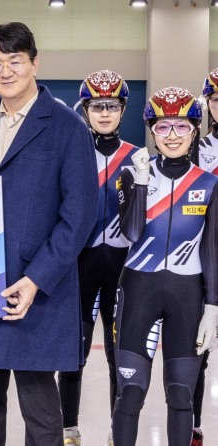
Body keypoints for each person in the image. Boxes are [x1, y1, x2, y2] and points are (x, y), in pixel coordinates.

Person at [0, 22, 98, 446]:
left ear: (34, 63)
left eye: (15, 61)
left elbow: (80, 215)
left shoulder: (68, 127)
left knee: (42, 416)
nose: (5, 71)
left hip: (39, 292)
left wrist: (36, 279)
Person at [111, 86, 218, 446]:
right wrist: (141, 184)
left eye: (181, 126)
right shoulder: (131, 174)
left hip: (187, 297)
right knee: (129, 394)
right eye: (162, 127)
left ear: (195, 130)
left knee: (181, 395)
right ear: (152, 131)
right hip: (138, 292)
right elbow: (131, 233)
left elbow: (212, 249)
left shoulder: (210, 183)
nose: (172, 135)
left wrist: (213, 306)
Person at [58, 70, 140, 446]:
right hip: (81, 268)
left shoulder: (138, 158)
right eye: (96, 106)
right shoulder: (73, 154)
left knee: (117, 356)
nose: (104, 113)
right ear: (85, 110)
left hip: (123, 270)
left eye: (112, 105)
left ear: (123, 110)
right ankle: (68, 428)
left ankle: (116, 429)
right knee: (73, 353)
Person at [188, 66, 218, 446]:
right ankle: (193, 426)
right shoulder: (198, 147)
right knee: (199, 348)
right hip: (205, 257)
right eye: (217, 99)